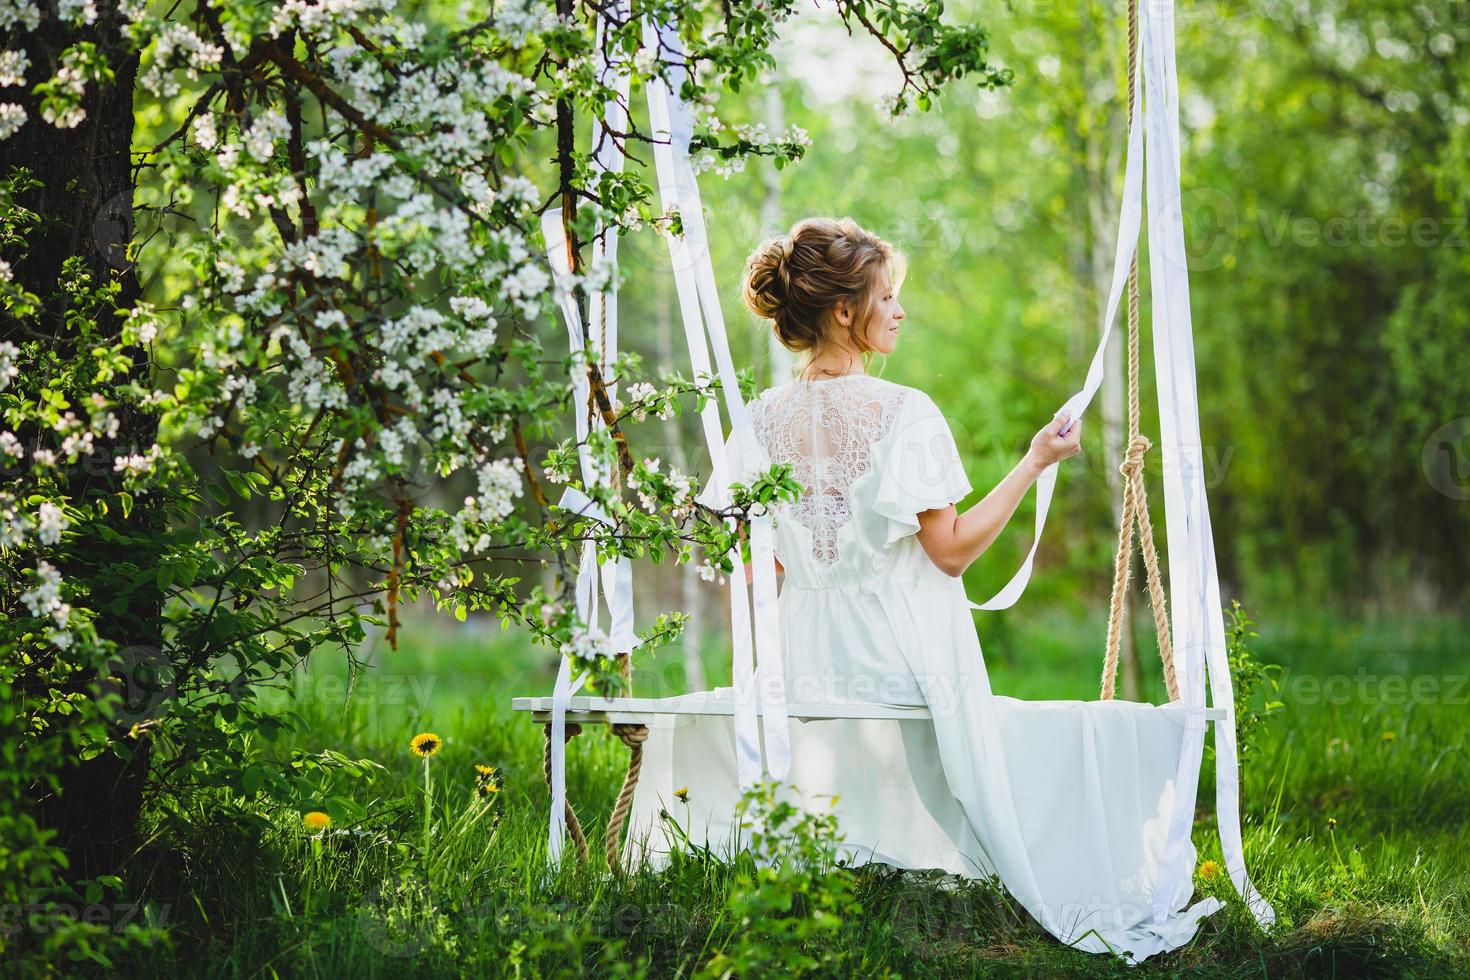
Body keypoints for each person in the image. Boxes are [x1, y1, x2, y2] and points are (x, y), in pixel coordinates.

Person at [630, 216, 1223, 963]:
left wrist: (812, 585)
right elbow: (948, 555)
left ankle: (841, 864)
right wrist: (1036, 460)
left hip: (803, 658)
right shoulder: (905, 412)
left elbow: (756, 574)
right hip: (901, 652)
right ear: (845, 311)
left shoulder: (756, 422)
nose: (901, 310)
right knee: (1006, 737)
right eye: (889, 295)